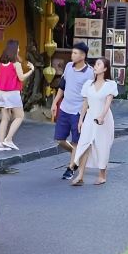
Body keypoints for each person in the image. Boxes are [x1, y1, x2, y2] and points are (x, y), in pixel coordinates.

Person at [70, 57, 118, 186]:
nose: (95, 66)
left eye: (98, 64)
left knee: (102, 145)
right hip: (90, 118)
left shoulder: (110, 85)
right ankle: (80, 175)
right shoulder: (88, 84)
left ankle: (102, 175)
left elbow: (108, 103)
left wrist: (102, 116)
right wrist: (81, 119)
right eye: (95, 64)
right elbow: (85, 103)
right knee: (85, 143)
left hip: (104, 119)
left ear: (105, 69)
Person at [51, 42, 94, 180]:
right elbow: (62, 87)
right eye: (72, 53)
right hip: (64, 108)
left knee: (76, 141)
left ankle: (70, 168)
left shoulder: (90, 72)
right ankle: (76, 154)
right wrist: (54, 103)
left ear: (83, 55)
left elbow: (90, 95)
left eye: (75, 53)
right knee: (59, 139)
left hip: (78, 110)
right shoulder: (69, 66)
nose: (72, 55)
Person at [0, 39, 35, 151]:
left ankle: (1, 144)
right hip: (12, 93)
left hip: (1, 93)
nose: (19, 49)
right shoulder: (16, 64)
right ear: (15, 49)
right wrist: (31, 70)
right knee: (20, 116)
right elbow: (21, 78)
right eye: (18, 47)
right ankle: (9, 139)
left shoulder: (1, 63)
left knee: (5, 118)